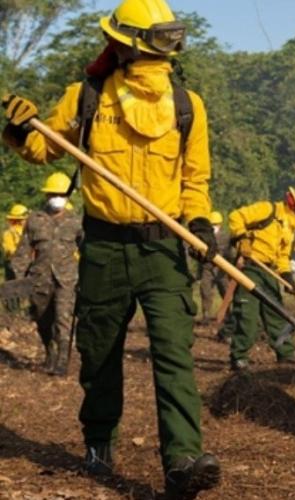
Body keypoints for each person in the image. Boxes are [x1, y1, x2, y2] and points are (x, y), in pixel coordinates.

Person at [1, 0, 221, 496]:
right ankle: (99, 440)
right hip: (102, 247)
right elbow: (41, 149)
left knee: (173, 353)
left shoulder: (189, 106)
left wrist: (202, 221)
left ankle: (182, 460)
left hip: (164, 251)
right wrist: (19, 126)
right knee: (99, 354)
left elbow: (195, 179)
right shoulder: (87, 97)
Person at [227, 187, 295, 371]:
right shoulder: (267, 209)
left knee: (276, 314)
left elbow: (283, 255)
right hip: (251, 268)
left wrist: (286, 276)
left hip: (269, 272)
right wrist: (242, 238)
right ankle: (239, 357)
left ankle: (285, 354)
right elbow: (236, 217)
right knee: (247, 316)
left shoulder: (290, 227)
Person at [11, 174, 81, 375]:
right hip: (40, 278)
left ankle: (62, 362)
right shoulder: (35, 220)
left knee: (64, 319)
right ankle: (49, 351)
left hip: (67, 278)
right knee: (42, 318)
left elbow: (86, 249)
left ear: (68, 196)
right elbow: (23, 251)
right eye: (54, 194)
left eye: (61, 194)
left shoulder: (76, 222)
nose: (57, 198)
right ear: (47, 194)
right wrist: (18, 279)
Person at [197, 210, 229, 323]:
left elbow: (229, 253)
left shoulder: (226, 237)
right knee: (205, 290)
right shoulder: (204, 237)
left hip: (222, 270)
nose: (213, 227)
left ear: (220, 224)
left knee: (225, 291)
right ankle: (205, 314)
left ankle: (229, 314)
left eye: (215, 224)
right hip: (207, 267)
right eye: (211, 225)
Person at [2, 203, 28, 311]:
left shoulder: (26, 232)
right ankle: (13, 312)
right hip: (14, 263)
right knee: (13, 290)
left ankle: (16, 311)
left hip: (21, 263)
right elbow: (9, 250)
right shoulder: (9, 233)